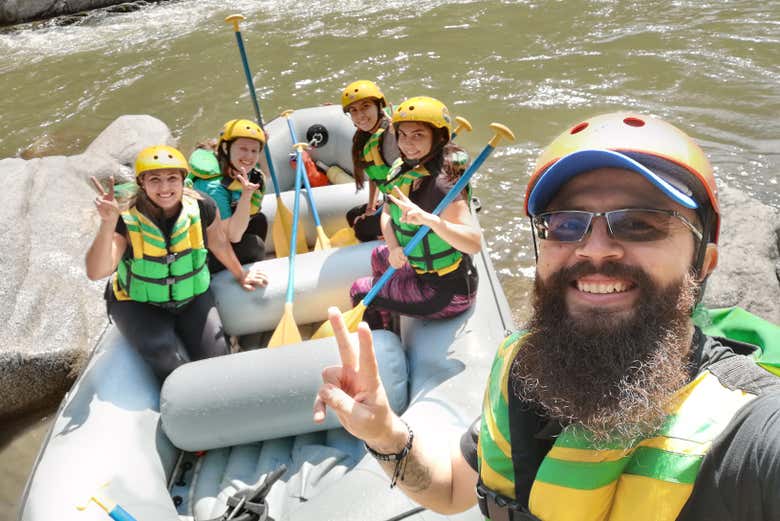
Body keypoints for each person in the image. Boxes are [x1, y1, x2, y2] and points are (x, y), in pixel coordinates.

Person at [314, 113, 780, 520]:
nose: (594, 249)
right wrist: (384, 434)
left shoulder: (748, 432)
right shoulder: (525, 370)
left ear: (703, 264)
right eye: (566, 224)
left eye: (641, 223)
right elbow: (454, 488)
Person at [86, 145, 268, 381]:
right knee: (164, 355)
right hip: (140, 303)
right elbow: (96, 271)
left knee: (218, 356)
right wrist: (108, 223)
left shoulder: (203, 206)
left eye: (172, 179)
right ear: (142, 183)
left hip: (190, 297)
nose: (164, 188)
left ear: (183, 180)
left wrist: (241, 274)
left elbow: (220, 244)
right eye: (154, 180)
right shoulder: (126, 217)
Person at [347, 96, 481, 330]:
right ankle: (389, 315)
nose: (408, 143)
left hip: (447, 292)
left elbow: (473, 243)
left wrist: (430, 220)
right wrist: (393, 247)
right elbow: (387, 211)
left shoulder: (441, 184)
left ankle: (383, 341)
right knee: (379, 255)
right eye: (403, 135)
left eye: (418, 135)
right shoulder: (404, 167)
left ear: (438, 137)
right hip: (423, 271)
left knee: (359, 291)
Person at [188, 119, 268, 272]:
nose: (249, 156)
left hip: (217, 236)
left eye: (254, 151)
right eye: (243, 148)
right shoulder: (213, 187)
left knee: (259, 220)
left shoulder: (234, 166)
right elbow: (233, 236)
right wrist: (246, 196)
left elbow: (268, 174)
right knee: (254, 246)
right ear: (226, 148)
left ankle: (242, 271)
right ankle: (232, 279)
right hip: (199, 253)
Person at [341, 80, 400, 242]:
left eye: (366, 106)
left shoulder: (391, 135)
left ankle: (392, 242)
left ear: (379, 106)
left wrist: (398, 135)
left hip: (407, 205)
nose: (360, 116)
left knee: (361, 230)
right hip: (393, 199)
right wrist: (371, 206)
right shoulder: (365, 136)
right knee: (352, 215)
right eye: (354, 110)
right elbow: (376, 175)